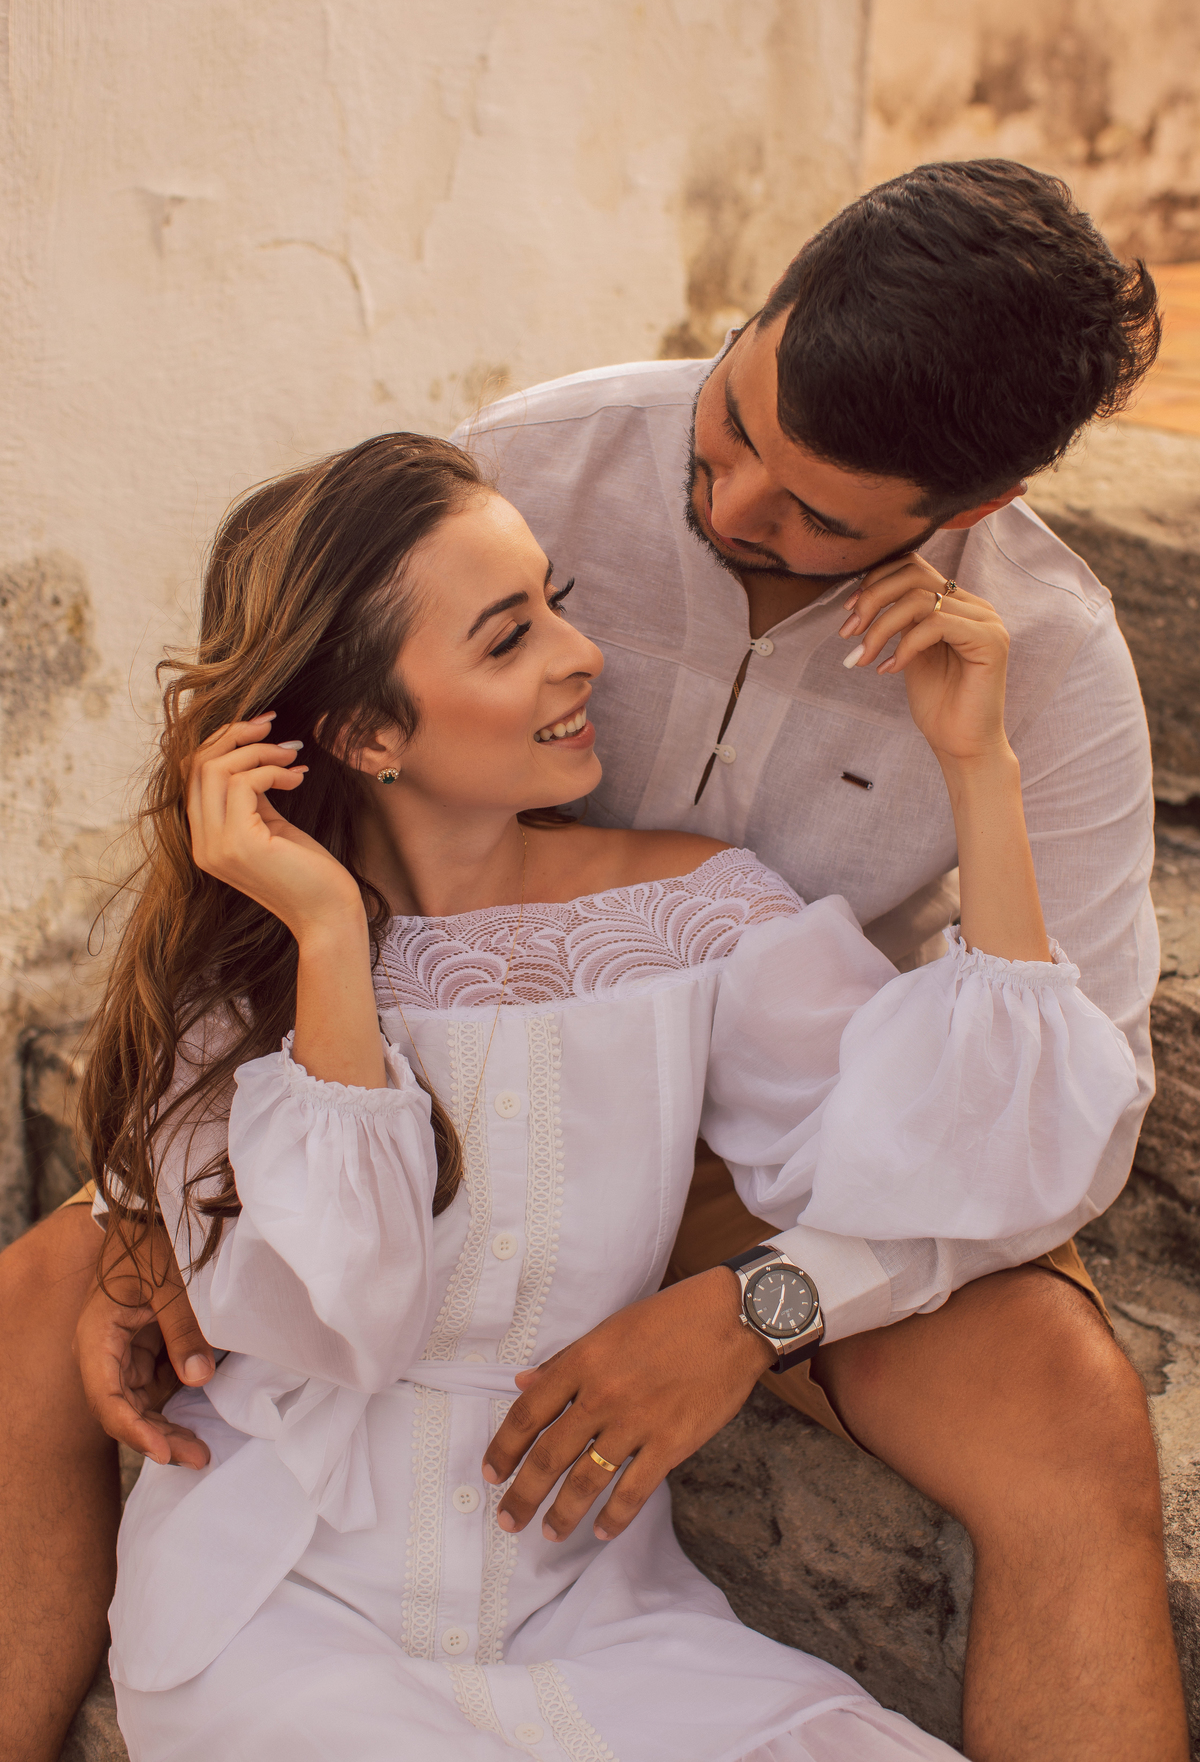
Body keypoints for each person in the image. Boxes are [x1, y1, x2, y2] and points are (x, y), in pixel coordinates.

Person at [0, 158, 1185, 1762]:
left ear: (961, 515)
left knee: (1073, 1408)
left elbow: (1064, 1124)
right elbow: (286, 754)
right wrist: (152, 1191)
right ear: (761, 312)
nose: (736, 507)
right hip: (397, 1053)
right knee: (45, 1291)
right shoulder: (534, 469)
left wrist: (759, 1306)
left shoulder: (1042, 659)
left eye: (818, 514)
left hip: (810, 1119)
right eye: (736, 422)